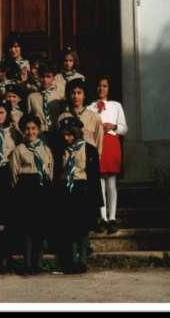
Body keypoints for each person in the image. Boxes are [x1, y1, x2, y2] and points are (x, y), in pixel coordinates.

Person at [56, 116, 103, 274]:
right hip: (65, 190)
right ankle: (72, 260)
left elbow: (95, 178)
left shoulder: (89, 150)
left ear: (76, 134)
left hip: (82, 190)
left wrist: (97, 202)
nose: (66, 138)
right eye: (64, 135)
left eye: (70, 135)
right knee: (69, 226)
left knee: (82, 227)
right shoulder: (60, 150)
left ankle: (82, 260)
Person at [9, 115, 54, 275]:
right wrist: (19, 191)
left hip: (42, 188)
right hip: (26, 188)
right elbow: (14, 173)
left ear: (39, 130)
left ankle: (38, 263)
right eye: (27, 129)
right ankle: (27, 263)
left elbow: (50, 170)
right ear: (22, 131)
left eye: (34, 128)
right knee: (27, 228)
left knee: (40, 227)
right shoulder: (19, 150)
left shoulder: (46, 149)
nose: (30, 132)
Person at [0, 97, 23, 274]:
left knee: (8, 215)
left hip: (8, 172)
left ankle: (9, 255)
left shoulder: (14, 131)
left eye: (1, 112)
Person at [88, 75, 128, 234]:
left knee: (111, 182)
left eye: (104, 86)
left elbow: (125, 128)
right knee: (100, 183)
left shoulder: (116, 106)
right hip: (97, 144)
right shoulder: (91, 107)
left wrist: (114, 126)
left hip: (111, 143)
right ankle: (102, 217)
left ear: (108, 88)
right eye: (99, 86)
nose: (101, 89)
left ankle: (112, 217)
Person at [58, 78, 103, 156]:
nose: (76, 96)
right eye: (73, 93)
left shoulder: (94, 117)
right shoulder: (63, 117)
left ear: (84, 95)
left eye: (79, 93)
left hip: (88, 158)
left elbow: (99, 143)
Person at [26, 62, 61, 144]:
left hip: (56, 134)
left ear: (53, 78)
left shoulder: (59, 96)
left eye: (48, 77)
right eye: (42, 77)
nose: (45, 80)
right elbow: (30, 118)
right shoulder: (32, 97)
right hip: (39, 135)